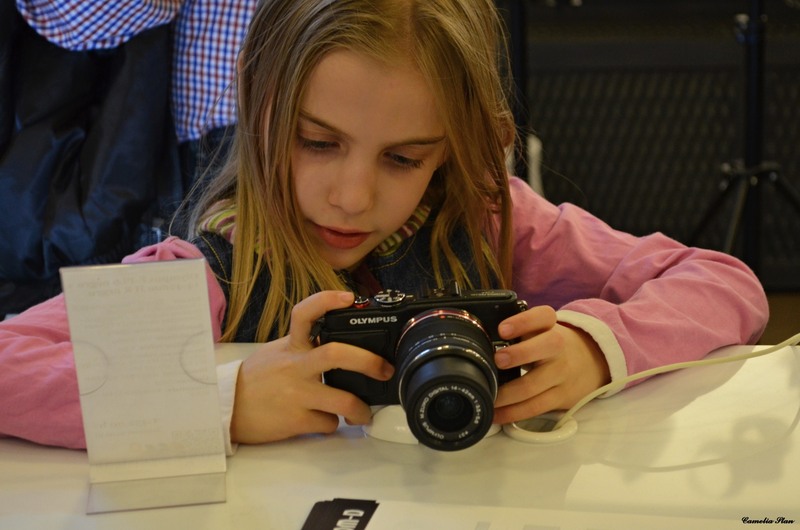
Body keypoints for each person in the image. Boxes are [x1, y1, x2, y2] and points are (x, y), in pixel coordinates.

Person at [0, 0, 769, 453]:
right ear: (259, 110)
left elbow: (722, 281)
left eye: (403, 158)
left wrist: (597, 348)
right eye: (317, 142)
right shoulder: (207, 268)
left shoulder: (490, 219)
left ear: (454, 147)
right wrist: (218, 401)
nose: (352, 197)